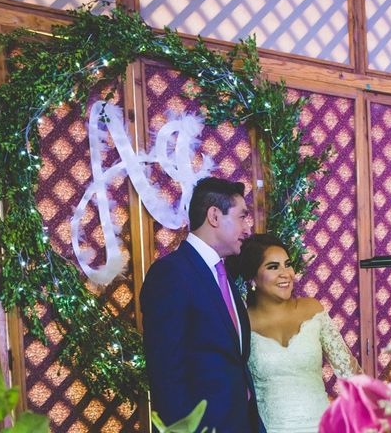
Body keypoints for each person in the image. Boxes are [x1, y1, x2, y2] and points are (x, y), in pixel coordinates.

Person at [140, 177, 265, 432]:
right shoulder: (171, 273)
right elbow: (166, 371)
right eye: (242, 217)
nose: (247, 229)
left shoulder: (223, 273)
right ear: (215, 216)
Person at [225, 233, 362, 433]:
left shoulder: (312, 309)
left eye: (287, 264)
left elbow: (350, 373)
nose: (286, 273)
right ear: (252, 276)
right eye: (273, 267)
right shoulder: (240, 323)